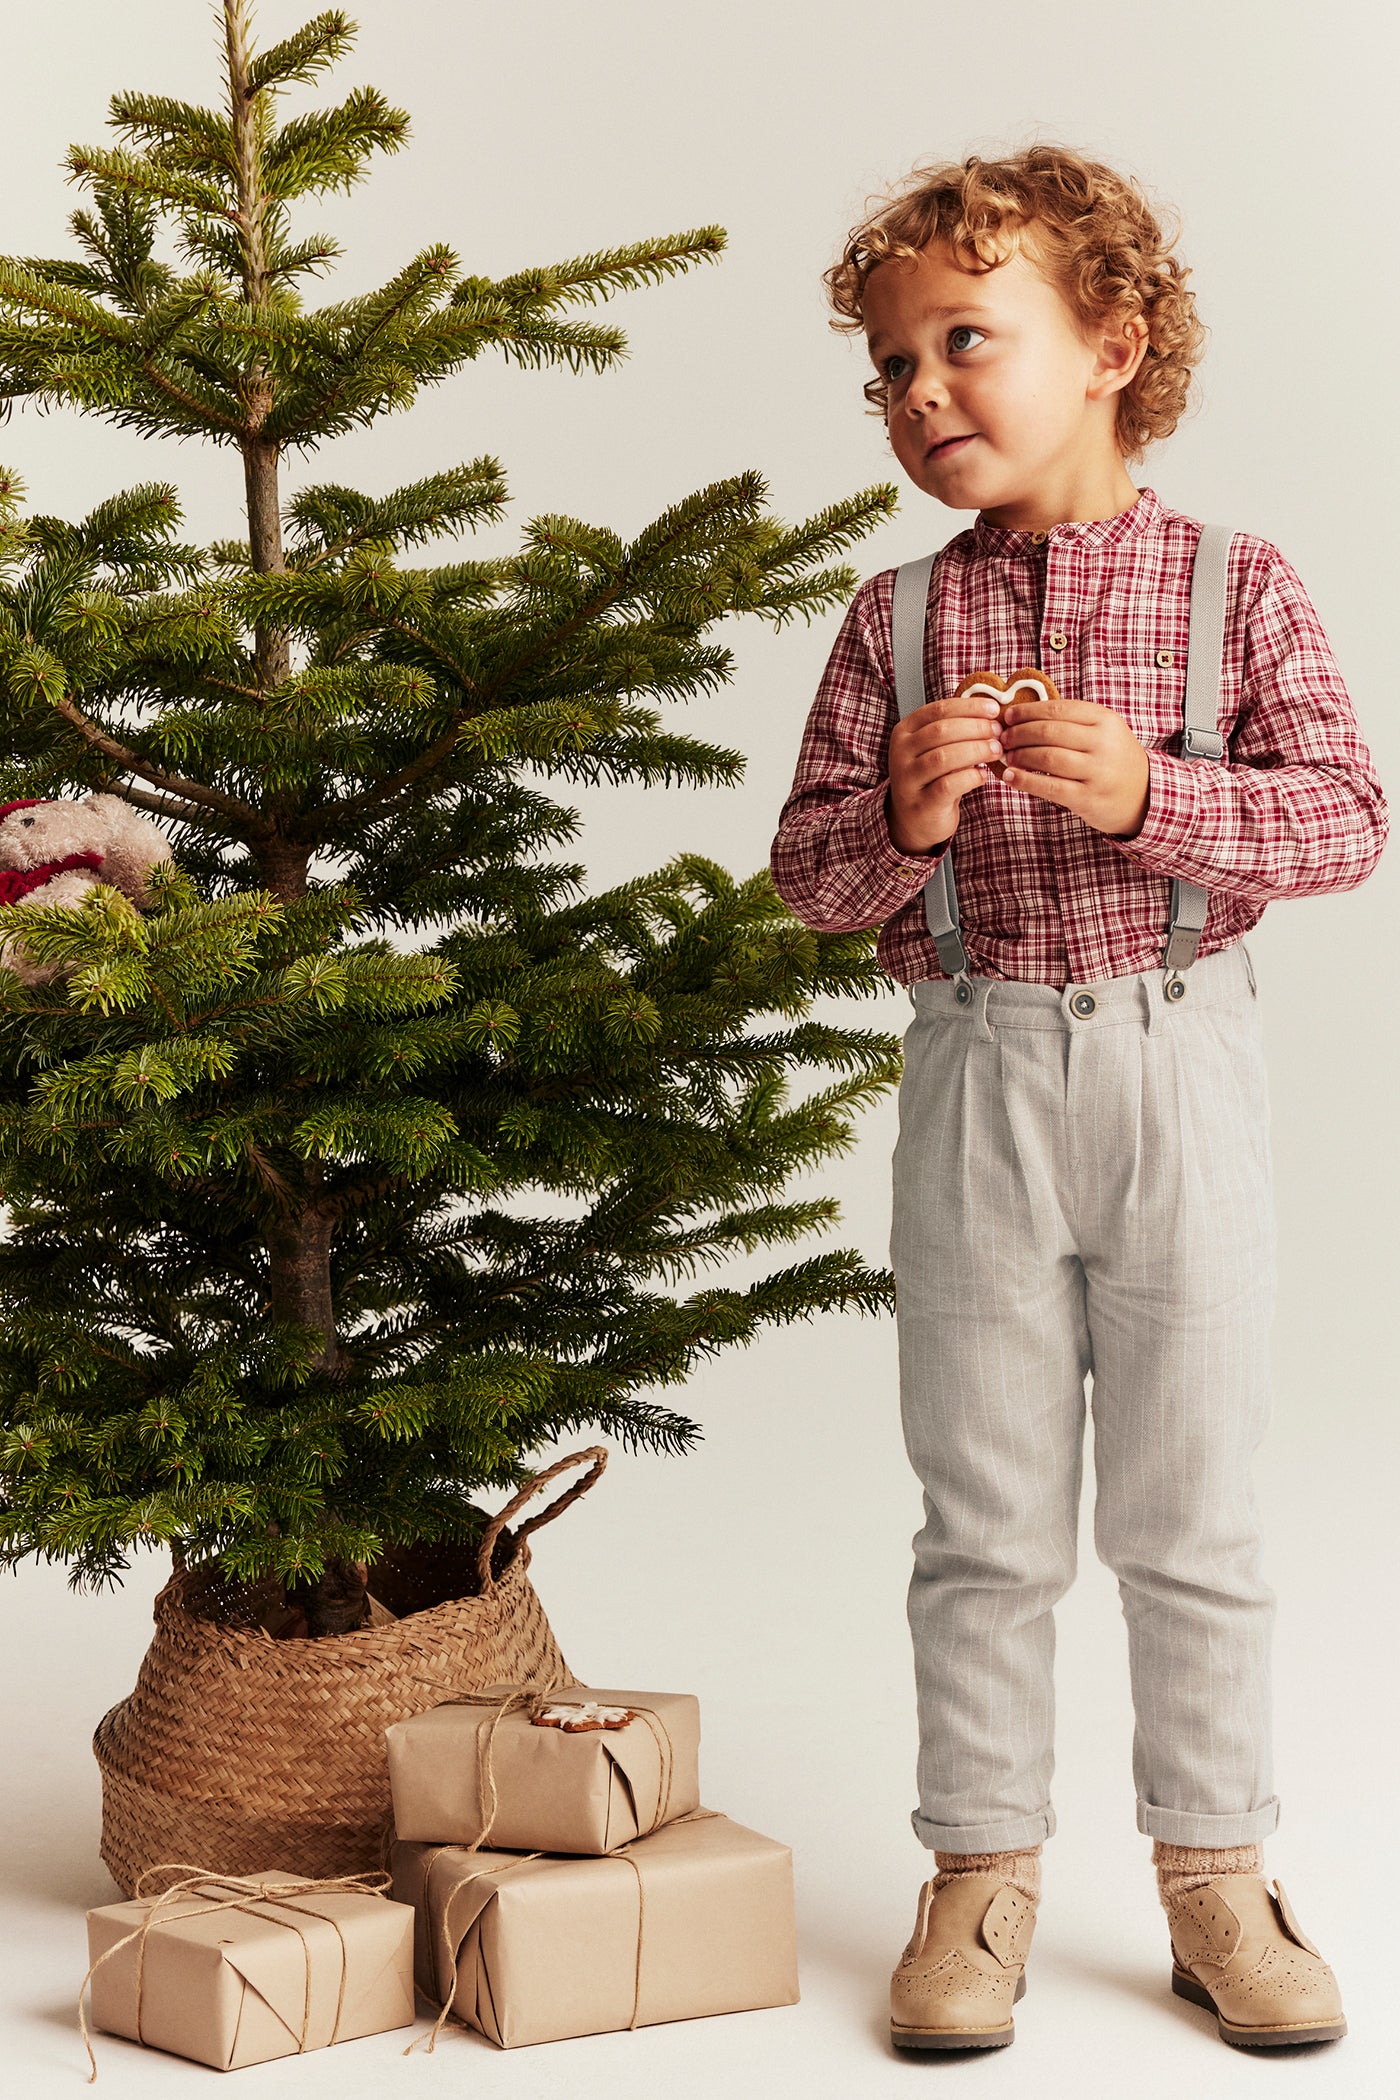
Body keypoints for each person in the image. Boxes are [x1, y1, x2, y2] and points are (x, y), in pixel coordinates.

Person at [769, 143, 1388, 2054]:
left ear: (1112, 343)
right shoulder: (893, 625)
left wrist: (1156, 799)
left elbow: (1353, 816)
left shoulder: (1235, 586)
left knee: (1192, 1512)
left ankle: (1217, 1875)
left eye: (966, 341)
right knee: (985, 1514)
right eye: (888, 368)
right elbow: (806, 885)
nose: (920, 393)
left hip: (1175, 1064)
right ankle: (980, 1873)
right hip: (976, 1078)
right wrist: (901, 815)